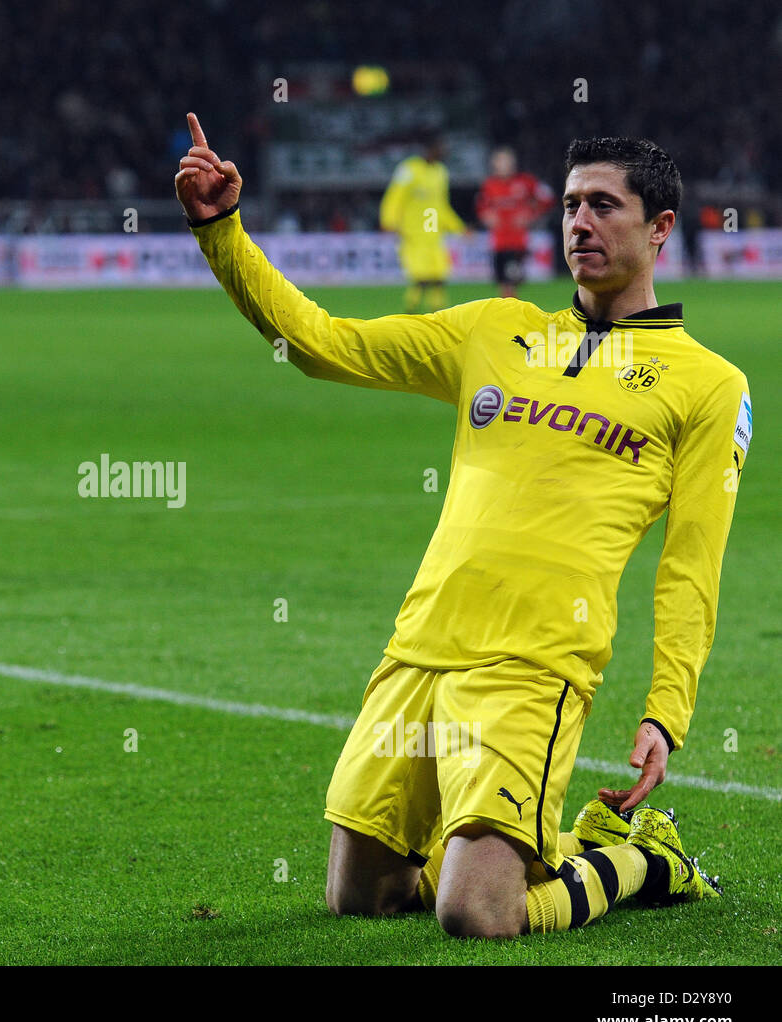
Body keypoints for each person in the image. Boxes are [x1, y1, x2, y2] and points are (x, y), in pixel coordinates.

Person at [176, 113, 750, 938]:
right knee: (358, 897)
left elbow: (692, 563)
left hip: (532, 661)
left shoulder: (707, 385)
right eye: (571, 205)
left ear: (660, 227)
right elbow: (320, 343)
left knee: (476, 915)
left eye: (604, 206)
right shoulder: (495, 328)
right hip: (423, 643)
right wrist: (219, 230)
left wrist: (667, 709)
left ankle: (638, 860)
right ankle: (486, 844)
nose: (580, 223)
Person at [379, 131, 466, 311]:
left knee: (439, 277)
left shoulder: (440, 172)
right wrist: (389, 220)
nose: (443, 151)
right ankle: (410, 311)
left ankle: (439, 314)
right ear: (429, 149)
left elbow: (441, 206)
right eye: (440, 147)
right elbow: (395, 196)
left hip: (433, 232)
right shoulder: (409, 169)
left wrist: (459, 228)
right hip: (413, 233)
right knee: (421, 278)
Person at [476, 146, 555, 297]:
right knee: (503, 285)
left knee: (511, 282)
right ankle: (510, 314)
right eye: (500, 161)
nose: (505, 165)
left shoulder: (525, 182)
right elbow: (481, 207)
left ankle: (511, 314)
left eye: (507, 161)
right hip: (498, 243)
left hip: (517, 243)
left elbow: (547, 198)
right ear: (494, 164)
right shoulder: (490, 185)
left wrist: (532, 214)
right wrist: (486, 215)